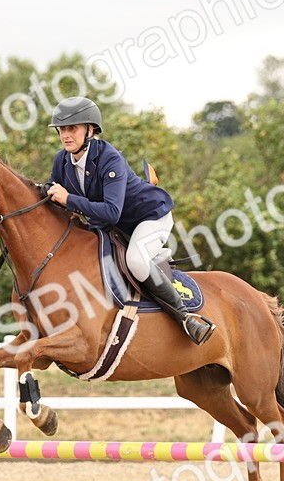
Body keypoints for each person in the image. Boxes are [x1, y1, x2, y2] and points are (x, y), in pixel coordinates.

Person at [45, 96, 216, 345]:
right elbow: (52, 191)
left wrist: (69, 199)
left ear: (90, 130)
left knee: (135, 261)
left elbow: (111, 211)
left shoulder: (109, 158)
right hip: (111, 226)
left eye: (73, 128)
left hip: (148, 217)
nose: (66, 135)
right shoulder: (62, 160)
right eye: (62, 129)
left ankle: (187, 319)